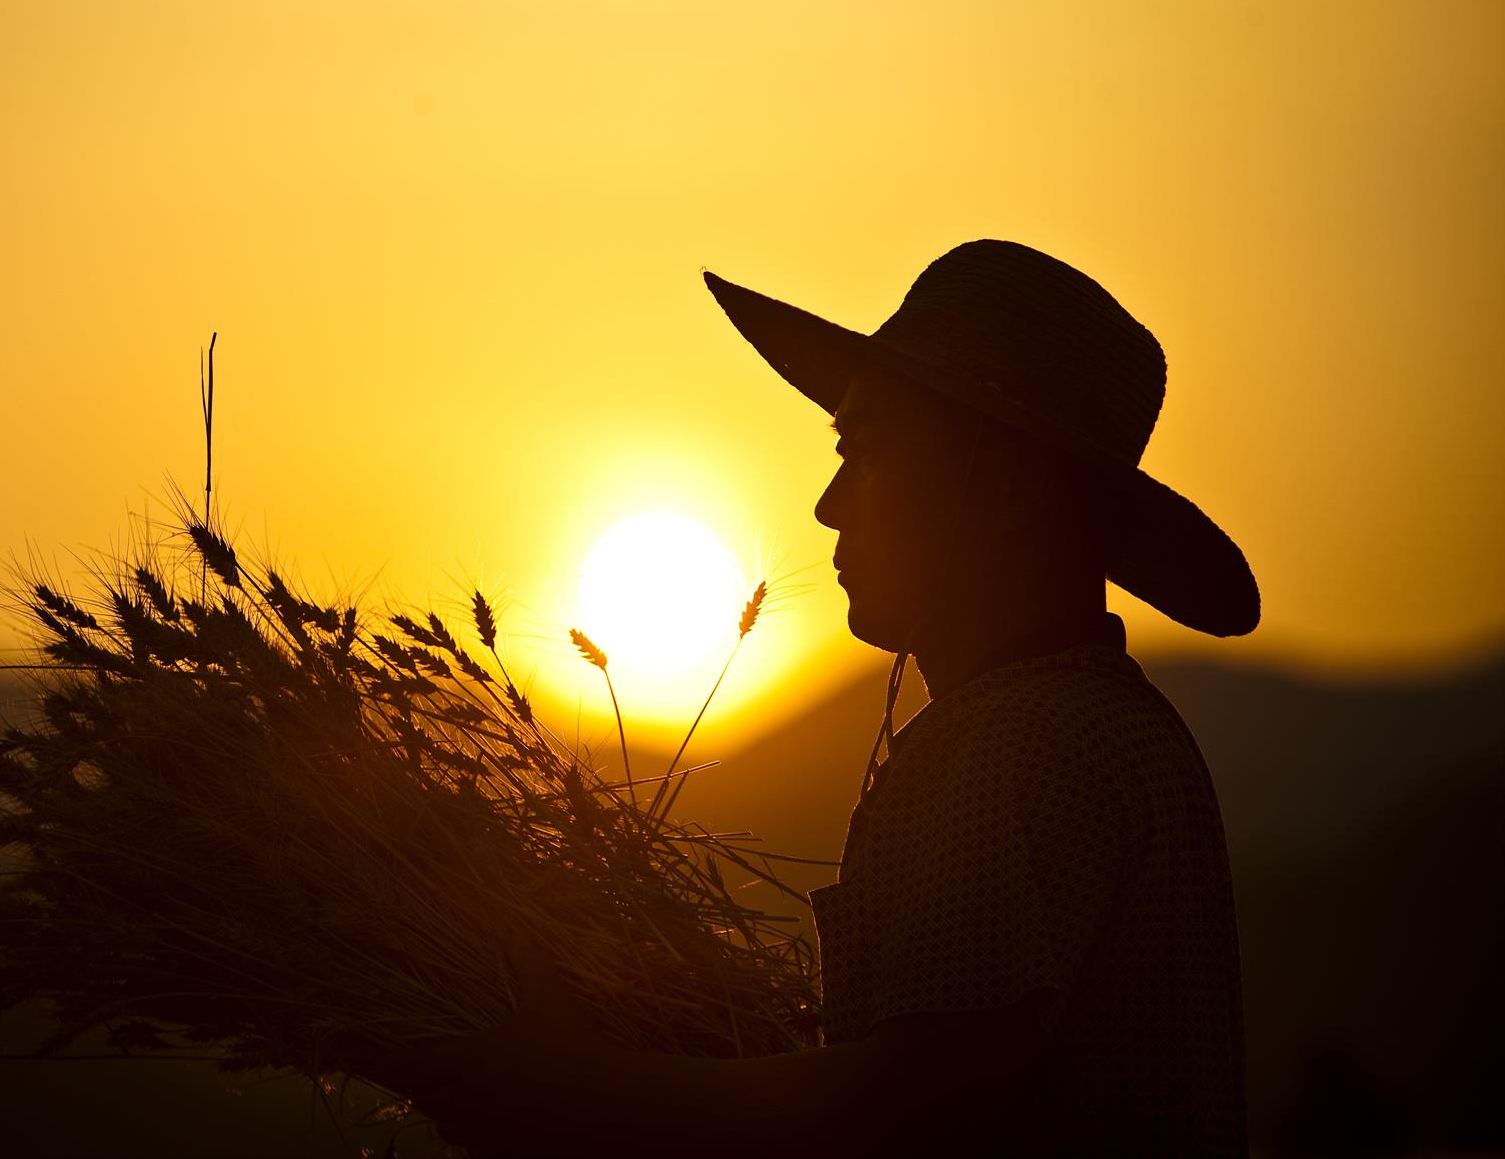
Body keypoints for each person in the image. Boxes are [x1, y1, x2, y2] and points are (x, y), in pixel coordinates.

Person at [355, 239, 1258, 1157]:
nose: (829, 503)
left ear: (1004, 485)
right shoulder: (1125, 732)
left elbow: (900, 1112)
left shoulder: (1010, 742)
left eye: (864, 450)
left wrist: (562, 1093)